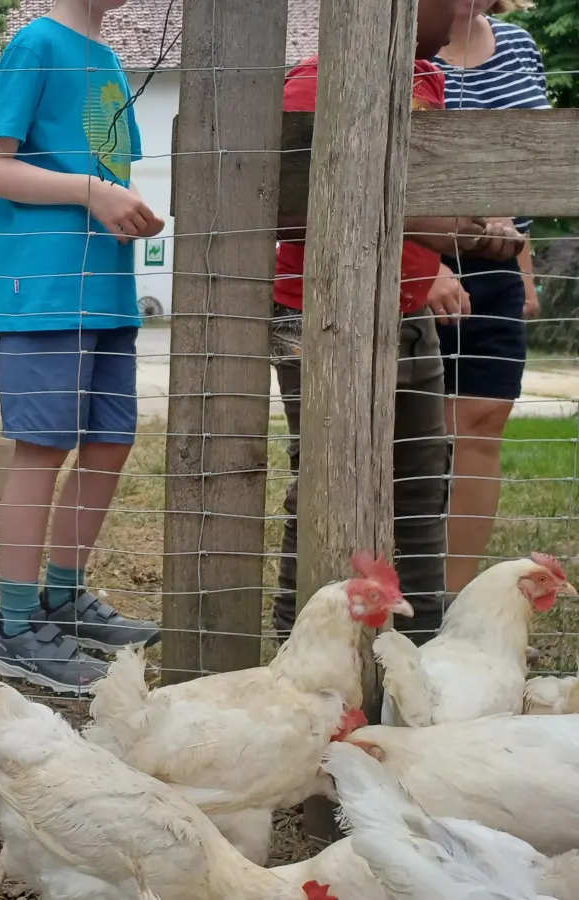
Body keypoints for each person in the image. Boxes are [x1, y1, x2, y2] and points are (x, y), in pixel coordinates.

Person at [271, 0, 507, 644]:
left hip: (407, 313)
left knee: (423, 483)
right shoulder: (314, 83)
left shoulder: (427, 81)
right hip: (317, 318)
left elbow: (426, 190)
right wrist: (442, 236)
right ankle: (298, 644)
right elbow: (296, 205)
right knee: (323, 483)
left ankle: (421, 645)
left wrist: (465, 231)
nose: (467, 11)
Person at [0, 0, 165, 695]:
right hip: (45, 285)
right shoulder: (37, 45)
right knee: (43, 447)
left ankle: (64, 596)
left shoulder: (107, 58)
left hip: (106, 284)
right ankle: (15, 627)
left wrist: (124, 205)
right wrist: (91, 192)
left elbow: (106, 168)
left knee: (111, 442)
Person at [433, 0, 546, 597]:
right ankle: (400, 590)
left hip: (498, 259)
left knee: (481, 423)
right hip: (415, 260)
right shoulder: (399, 47)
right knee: (415, 433)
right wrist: (424, 264)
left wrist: (523, 271)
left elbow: (527, 167)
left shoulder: (519, 45)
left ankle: (451, 602)